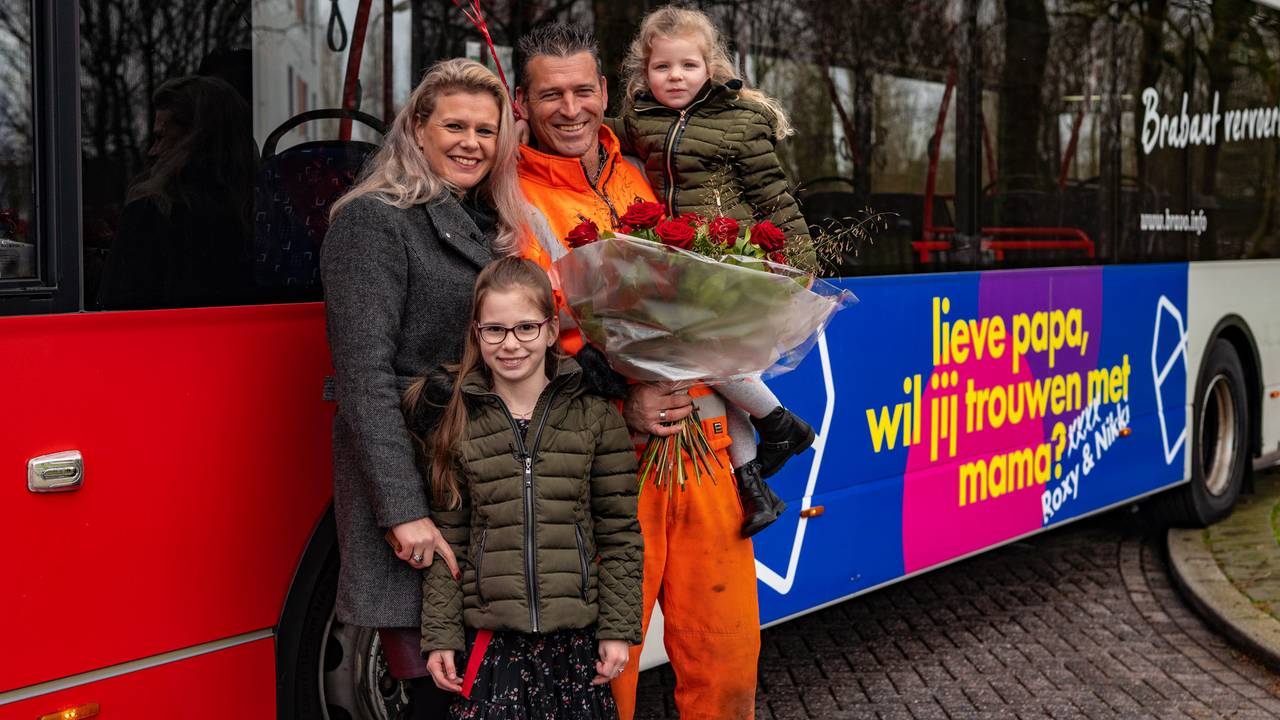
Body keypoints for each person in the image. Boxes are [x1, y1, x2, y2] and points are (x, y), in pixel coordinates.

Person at [513, 22, 762, 720]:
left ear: (606, 91)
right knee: (602, 674)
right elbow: (520, 345)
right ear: (521, 103)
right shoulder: (512, 198)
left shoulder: (641, 169)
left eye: (583, 89)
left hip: (703, 445)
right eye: (550, 94)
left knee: (727, 661)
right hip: (607, 469)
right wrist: (621, 403)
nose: (571, 109)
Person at [320, 58, 532, 720]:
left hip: (482, 489)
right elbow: (364, 377)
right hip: (421, 490)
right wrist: (400, 510)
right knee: (438, 698)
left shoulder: (491, 219)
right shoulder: (373, 220)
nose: (472, 142)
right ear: (418, 127)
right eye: (455, 125)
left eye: (486, 129)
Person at [612, 5, 820, 536]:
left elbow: (774, 196)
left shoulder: (739, 122)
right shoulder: (642, 118)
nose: (674, 77)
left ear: (711, 68)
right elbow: (610, 137)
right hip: (682, 263)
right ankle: (754, 487)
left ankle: (781, 424)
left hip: (733, 261)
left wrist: (800, 262)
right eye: (662, 68)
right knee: (710, 372)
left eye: (687, 66)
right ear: (644, 72)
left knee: (707, 355)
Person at [409, 257, 642, 719]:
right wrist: (441, 636)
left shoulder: (596, 419)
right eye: (495, 330)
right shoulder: (459, 424)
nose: (510, 344)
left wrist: (617, 629)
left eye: (526, 329)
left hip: (575, 646)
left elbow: (620, 536)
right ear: (478, 334)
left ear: (552, 331)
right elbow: (448, 541)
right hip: (493, 650)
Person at [96, 75, 255, 309]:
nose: (153, 151)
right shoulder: (264, 216)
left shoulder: (152, 214)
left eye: (161, 137)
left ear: (196, 140)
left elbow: (117, 308)